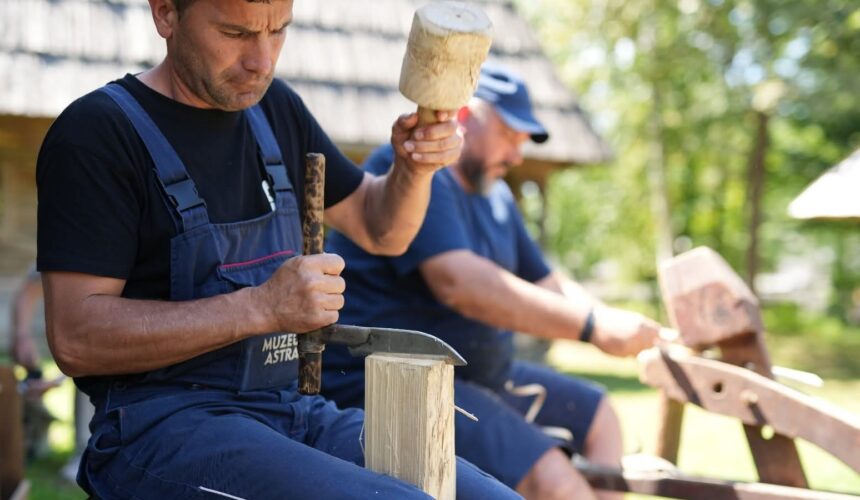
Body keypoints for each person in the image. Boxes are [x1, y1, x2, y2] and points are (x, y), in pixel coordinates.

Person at [36, 1, 519, 498]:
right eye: (235, 33)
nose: (262, 61)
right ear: (166, 15)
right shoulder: (98, 134)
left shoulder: (273, 110)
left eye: (278, 32)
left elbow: (381, 229)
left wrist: (414, 169)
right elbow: (76, 338)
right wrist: (259, 307)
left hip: (290, 410)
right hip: (160, 428)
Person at [322, 63, 663, 500]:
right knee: (553, 480)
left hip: (476, 376)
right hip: (392, 381)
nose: (519, 155)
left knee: (600, 416)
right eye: (510, 135)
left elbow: (545, 281)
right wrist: (593, 327)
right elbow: (459, 283)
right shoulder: (413, 172)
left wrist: (608, 318)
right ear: (466, 118)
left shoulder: (496, 195)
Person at [9, 266, 91, 476]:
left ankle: (87, 452)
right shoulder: (71, 244)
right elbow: (31, 285)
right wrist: (21, 337)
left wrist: (58, 380)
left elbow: (98, 344)